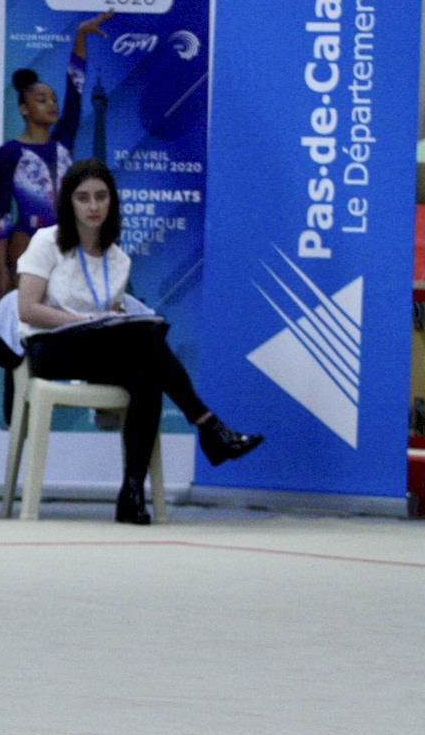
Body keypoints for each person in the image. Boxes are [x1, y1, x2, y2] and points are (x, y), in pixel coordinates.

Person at [15, 158, 264, 524]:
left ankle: (131, 494)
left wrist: (108, 320)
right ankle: (209, 426)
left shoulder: (118, 259)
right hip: (51, 348)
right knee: (145, 339)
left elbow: (110, 313)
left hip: (98, 348)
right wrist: (83, 321)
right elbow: (27, 309)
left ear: (112, 201)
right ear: (69, 203)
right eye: (83, 198)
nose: (94, 206)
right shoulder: (46, 242)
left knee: (147, 379)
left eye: (101, 197)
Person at [0, 10, 115, 299]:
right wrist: (1, 272)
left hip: (65, 239)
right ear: (24, 108)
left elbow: (75, 88)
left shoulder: (63, 141)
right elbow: (3, 214)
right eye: (41, 99)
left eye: (53, 99)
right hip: (27, 240)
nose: (51, 104)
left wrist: (81, 35)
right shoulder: (10, 152)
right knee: (28, 315)